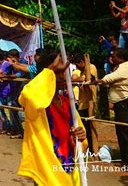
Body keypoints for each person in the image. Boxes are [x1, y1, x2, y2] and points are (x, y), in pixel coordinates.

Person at [18, 49, 88, 185]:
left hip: (69, 171)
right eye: (57, 72)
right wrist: (50, 70)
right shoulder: (37, 106)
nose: (63, 77)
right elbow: (27, 96)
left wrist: (79, 137)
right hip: (47, 174)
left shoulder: (68, 102)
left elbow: (82, 141)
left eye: (64, 72)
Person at [96, 48, 128, 170]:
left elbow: (108, 79)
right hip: (121, 103)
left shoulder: (125, 67)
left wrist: (100, 81)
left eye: (114, 56)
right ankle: (126, 160)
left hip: (125, 103)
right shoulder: (121, 67)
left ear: (121, 58)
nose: (111, 58)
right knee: (121, 132)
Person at [71, 53, 98, 153]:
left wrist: (79, 79)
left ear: (82, 62)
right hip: (82, 103)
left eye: (78, 64)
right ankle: (86, 149)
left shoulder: (91, 67)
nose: (76, 67)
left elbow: (87, 79)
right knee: (84, 128)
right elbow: (73, 78)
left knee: (91, 129)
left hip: (90, 102)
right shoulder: (80, 70)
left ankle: (92, 150)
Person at [110, 0, 128, 64]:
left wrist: (115, 6)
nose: (121, 0)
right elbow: (115, 16)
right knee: (120, 48)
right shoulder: (122, 8)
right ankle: (121, 63)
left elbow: (125, 12)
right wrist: (112, 8)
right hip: (122, 31)